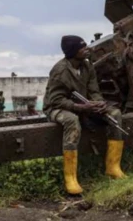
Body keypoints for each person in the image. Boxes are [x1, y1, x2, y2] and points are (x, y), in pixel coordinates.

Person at [43, 35, 126, 195]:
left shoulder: (87, 66)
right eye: (82, 48)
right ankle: (71, 179)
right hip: (56, 108)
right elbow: (56, 100)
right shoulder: (60, 71)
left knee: (114, 114)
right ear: (73, 52)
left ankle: (113, 167)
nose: (87, 49)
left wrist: (99, 103)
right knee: (72, 121)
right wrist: (82, 108)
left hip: (83, 105)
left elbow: (94, 90)